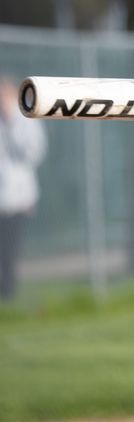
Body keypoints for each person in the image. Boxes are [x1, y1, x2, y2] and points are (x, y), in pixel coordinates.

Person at [0, 76, 47, 301]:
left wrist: (11, 123)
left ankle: (8, 296)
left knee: (9, 252)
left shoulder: (24, 118)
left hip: (17, 200)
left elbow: (32, 153)